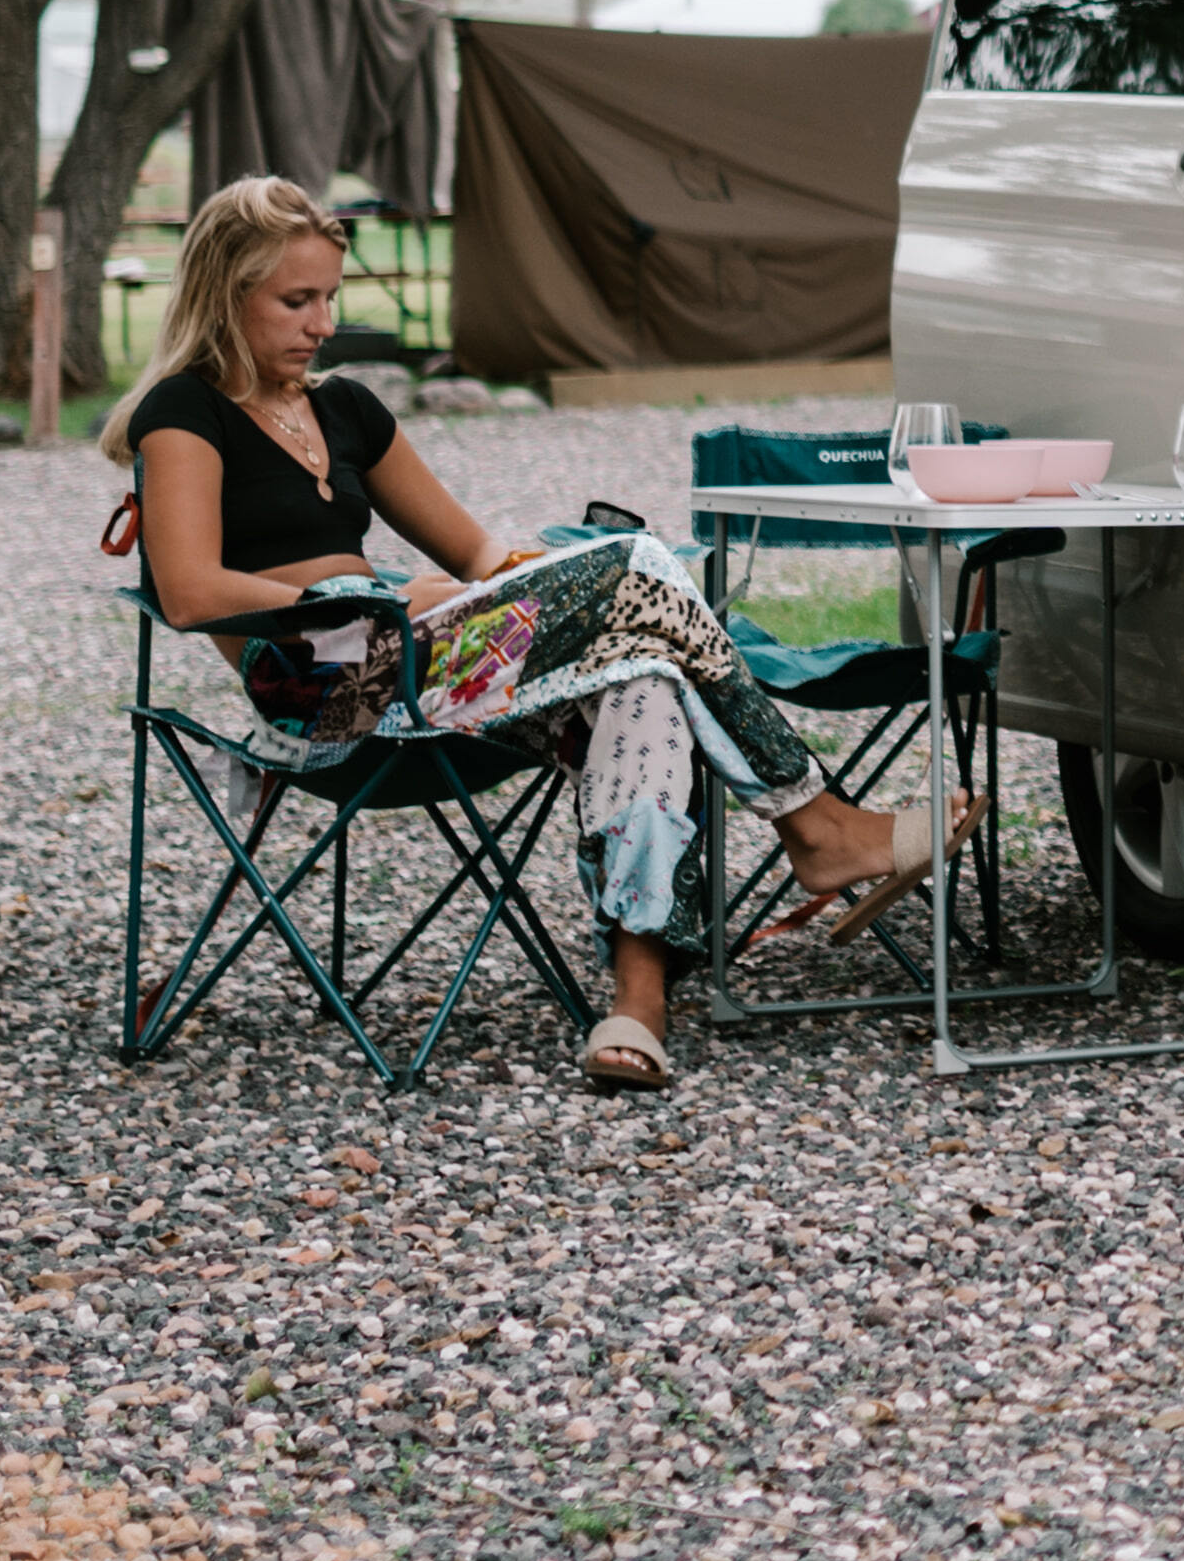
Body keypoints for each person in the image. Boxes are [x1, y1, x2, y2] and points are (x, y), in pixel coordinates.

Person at [107, 175, 958, 1092]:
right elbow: (191, 592)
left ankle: (638, 1007)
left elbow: (479, 554)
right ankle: (817, 826)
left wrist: (567, 595)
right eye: (296, 301)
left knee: (643, 672)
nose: (322, 324)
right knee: (633, 564)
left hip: (430, 674)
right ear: (224, 296)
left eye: (329, 300)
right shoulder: (183, 415)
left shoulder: (346, 408)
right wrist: (356, 585)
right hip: (324, 695)